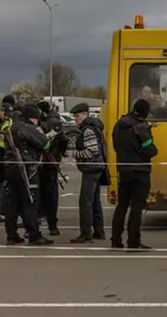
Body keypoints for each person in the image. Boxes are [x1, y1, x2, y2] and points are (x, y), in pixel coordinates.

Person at [111, 99, 158, 251]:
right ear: (144, 111)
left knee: (122, 205)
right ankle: (133, 241)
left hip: (124, 170)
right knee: (136, 207)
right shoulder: (141, 126)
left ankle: (116, 240)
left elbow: (115, 144)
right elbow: (149, 150)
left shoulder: (119, 124)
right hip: (140, 171)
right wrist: (153, 149)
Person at [4, 104, 53, 245]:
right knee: (31, 201)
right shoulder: (28, 128)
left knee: (13, 202)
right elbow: (45, 145)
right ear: (33, 118)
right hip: (26, 168)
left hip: (10, 167)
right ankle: (34, 235)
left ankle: (11, 235)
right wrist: (46, 137)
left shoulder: (12, 127)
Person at [69, 103, 108, 243]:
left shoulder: (88, 130)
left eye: (77, 116)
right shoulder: (95, 127)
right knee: (95, 202)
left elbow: (92, 151)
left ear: (85, 114)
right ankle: (99, 231)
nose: (75, 119)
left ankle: (86, 233)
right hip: (98, 168)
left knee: (85, 202)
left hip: (91, 169)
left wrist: (76, 154)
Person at [37, 101, 69, 236]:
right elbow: (64, 140)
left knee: (40, 193)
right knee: (51, 194)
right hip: (52, 162)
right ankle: (52, 225)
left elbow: (63, 140)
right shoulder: (56, 122)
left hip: (45, 162)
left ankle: (39, 223)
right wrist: (60, 154)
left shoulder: (46, 123)